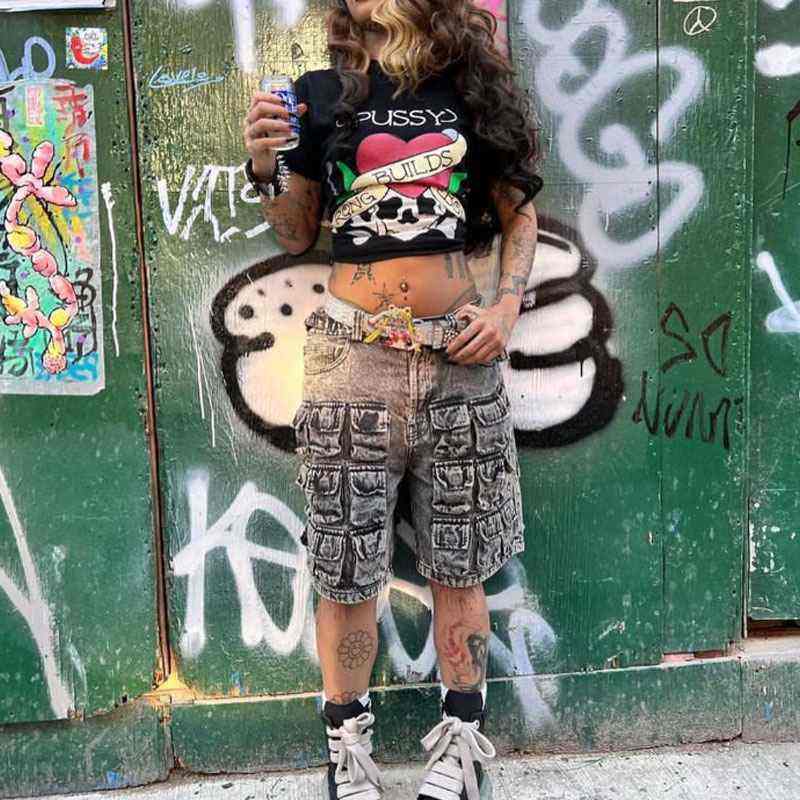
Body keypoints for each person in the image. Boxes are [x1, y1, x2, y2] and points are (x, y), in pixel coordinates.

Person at [242, 1, 542, 799]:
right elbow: (297, 233)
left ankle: (463, 746)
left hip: (458, 359)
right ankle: (346, 749)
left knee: (461, 566)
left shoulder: (472, 83)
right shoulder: (320, 92)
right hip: (352, 360)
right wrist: (268, 165)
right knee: (345, 571)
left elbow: (518, 213)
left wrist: (506, 308)